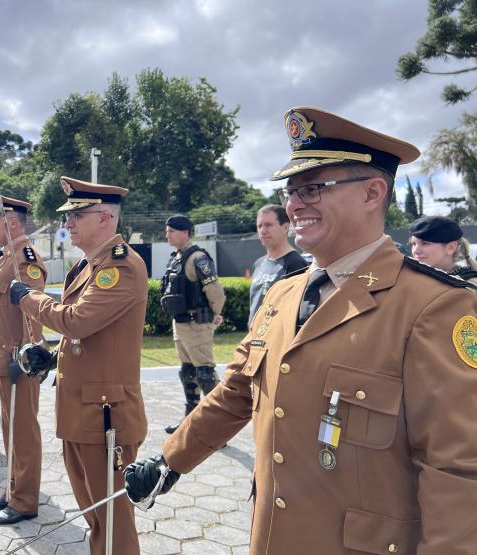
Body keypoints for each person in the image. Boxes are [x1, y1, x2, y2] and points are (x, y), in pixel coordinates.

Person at [125, 106, 477, 554]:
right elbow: (236, 392)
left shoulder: (435, 305)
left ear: (372, 193)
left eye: (312, 188)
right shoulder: (283, 293)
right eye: (290, 191)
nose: (293, 204)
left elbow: (458, 468)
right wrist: (171, 460)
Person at [9, 176, 148, 554]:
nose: (67, 223)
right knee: (96, 515)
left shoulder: (120, 266)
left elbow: (76, 321)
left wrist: (28, 298)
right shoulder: (90, 265)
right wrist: (54, 355)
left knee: (113, 520)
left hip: (105, 416)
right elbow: (91, 336)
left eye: (77, 215)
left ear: (104, 218)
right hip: (83, 411)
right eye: (68, 216)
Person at [0, 193, 46, 525]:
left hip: (17, 360)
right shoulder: (6, 257)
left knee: (23, 431)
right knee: (10, 428)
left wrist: (29, 354)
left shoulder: (25, 260)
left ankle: (25, 500)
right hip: (0, 357)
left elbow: (33, 313)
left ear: (12, 222)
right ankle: (12, 490)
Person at [161, 214, 225, 434]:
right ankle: (191, 420)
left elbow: (215, 291)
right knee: (188, 372)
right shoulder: (176, 258)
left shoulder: (198, 258)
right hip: (180, 324)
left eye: (171, 231)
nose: (167, 235)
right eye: (167, 231)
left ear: (185, 232)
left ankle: (220, 426)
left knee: (205, 374)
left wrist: (215, 313)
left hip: (197, 325)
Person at [248, 204, 308, 324]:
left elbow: (298, 310)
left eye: (268, 225)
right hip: (255, 333)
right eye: (259, 226)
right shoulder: (258, 263)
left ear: (285, 227)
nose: (263, 231)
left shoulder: (296, 264)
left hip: (278, 333)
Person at [409, 215, 477, 286]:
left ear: (451, 248)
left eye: (425, 243)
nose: (416, 251)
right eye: (414, 244)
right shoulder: (414, 277)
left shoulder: (468, 284)